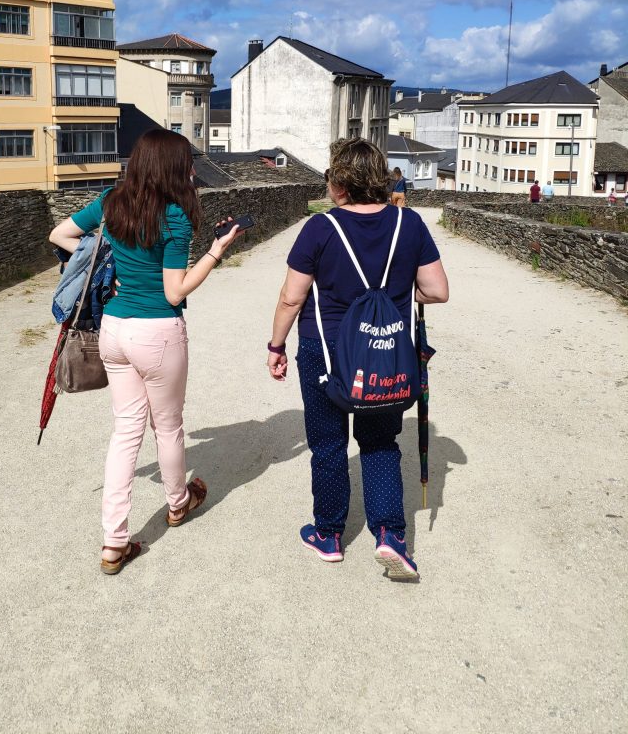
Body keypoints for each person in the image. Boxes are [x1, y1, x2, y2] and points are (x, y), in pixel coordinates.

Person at [49, 129, 241, 574]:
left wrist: (105, 262)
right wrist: (215, 251)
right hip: (157, 331)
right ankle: (178, 503)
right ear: (171, 168)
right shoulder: (174, 217)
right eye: (187, 163)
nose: (192, 170)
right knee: (168, 427)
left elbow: (61, 234)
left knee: (125, 432)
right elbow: (175, 291)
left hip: (114, 330)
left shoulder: (112, 200)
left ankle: (113, 543)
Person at [267, 138, 449, 580]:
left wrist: (275, 347)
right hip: (385, 356)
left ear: (340, 182)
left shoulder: (320, 228)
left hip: (325, 353)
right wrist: (397, 297)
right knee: (381, 442)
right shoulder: (410, 224)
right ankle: (390, 535)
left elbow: (292, 299)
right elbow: (437, 290)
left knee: (328, 444)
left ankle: (328, 535)